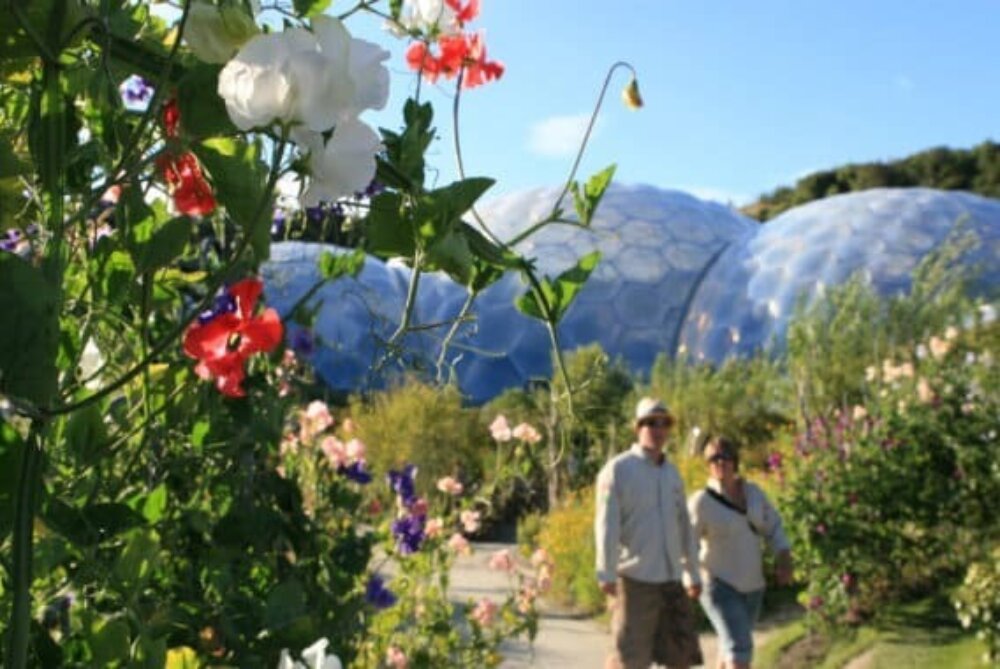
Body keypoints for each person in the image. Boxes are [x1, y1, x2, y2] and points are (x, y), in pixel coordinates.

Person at [595, 397, 703, 669]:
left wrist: (692, 572)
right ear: (637, 427)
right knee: (631, 659)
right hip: (635, 581)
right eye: (650, 422)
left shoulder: (672, 474)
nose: (658, 429)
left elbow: (684, 527)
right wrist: (605, 572)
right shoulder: (619, 470)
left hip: (671, 580)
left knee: (681, 657)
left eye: (664, 423)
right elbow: (607, 525)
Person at [688, 436, 793, 669]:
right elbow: (687, 543)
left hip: (752, 586)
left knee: (729, 647)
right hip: (717, 584)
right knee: (739, 647)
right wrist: (690, 578)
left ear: (735, 461)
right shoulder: (701, 502)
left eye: (724, 456)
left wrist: (784, 557)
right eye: (712, 458)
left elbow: (773, 526)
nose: (719, 462)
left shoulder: (754, 494)